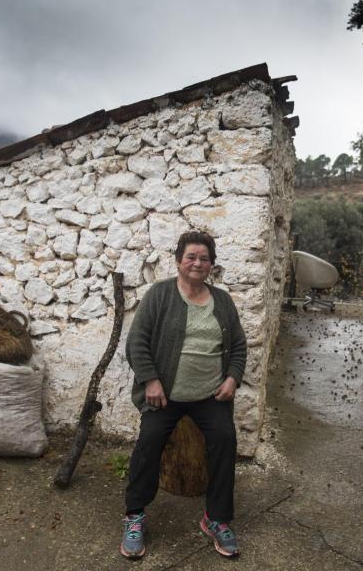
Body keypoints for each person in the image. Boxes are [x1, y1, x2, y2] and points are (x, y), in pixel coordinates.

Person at [120, 230, 247, 559]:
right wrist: (150, 380)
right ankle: (134, 515)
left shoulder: (223, 302)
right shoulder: (160, 295)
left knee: (225, 440)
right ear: (178, 261)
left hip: (210, 395)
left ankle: (216, 519)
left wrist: (233, 378)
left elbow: (238, 347)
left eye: (204, 258)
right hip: (165, 396)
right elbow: (137, 342)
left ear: (211, 266)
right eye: (191, 256)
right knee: (149, 442)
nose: (197, 262)